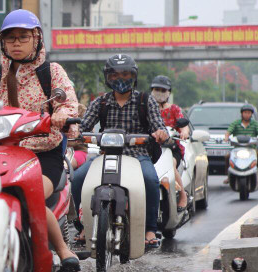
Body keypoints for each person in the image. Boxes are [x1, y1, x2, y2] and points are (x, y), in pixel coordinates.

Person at [0, 9, 80, 272]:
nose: (16, 43)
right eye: (10, 38)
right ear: (3, 42)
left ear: (36, 39)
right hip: (1, 153)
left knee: (29, 195)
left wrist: (62, 115)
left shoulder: (51, 72)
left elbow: (69, 102)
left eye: (23, 37)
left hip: (43, 155)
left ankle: (63, 250)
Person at [72, 54, 169, 248]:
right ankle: (83, 225)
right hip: (106, 155)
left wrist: (160, 133)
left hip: (138, 156)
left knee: (151, 180)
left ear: (133, 76)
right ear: (108, 78)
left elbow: (159, 126)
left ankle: (150, 228)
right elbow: (82, 127)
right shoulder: (101, 102)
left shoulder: (145, 100)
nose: (120, 79)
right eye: (115, 75)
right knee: (78, 178)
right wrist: (74, 133)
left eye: (125, 74)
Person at [150, 74, 189, 211]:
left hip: (171, 149)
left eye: (163, 90)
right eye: (157, 89)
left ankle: (183, 195)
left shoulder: (174, 109)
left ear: (168, 93)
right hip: (150, 148)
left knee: (170, 163)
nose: (160, 93)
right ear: (151, 90)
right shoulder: (147, 108)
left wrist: (184, 132)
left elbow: (184, 126)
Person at [225, 104, 258, 186]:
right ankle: (228, 176)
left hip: (251, 149)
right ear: (242, 114)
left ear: (251, 114)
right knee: (227, 157)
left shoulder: (255, 124)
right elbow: (229, 131)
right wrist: (226, 137)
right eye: (245, 113)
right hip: (237, 149)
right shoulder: (236, 123)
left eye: (249, 113)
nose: (247, 115)